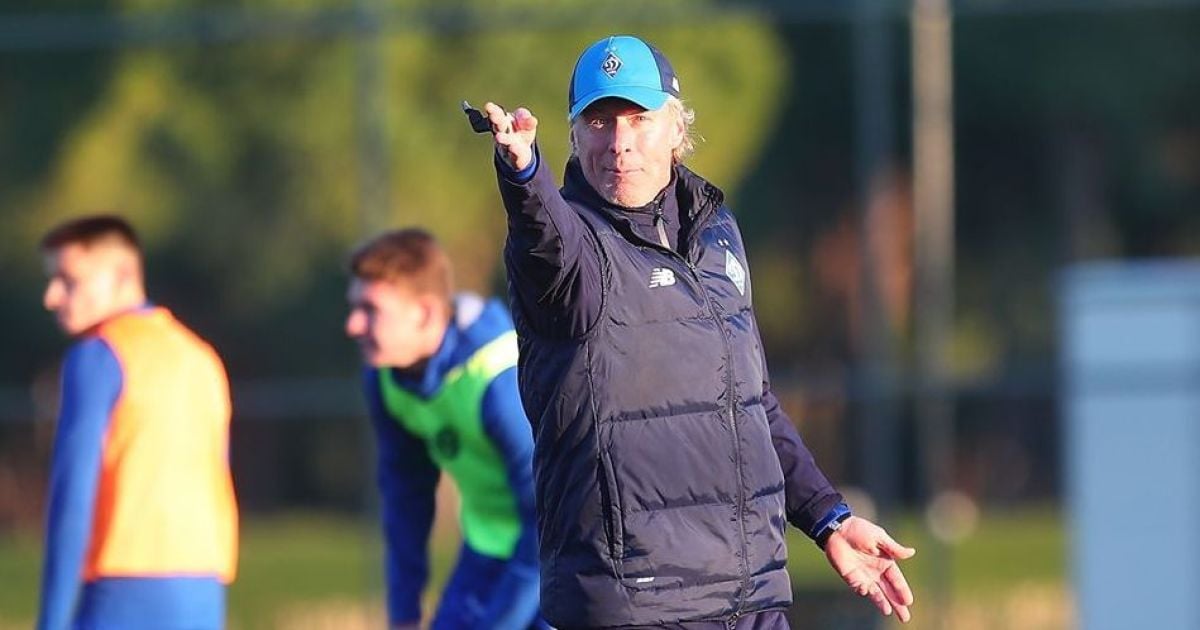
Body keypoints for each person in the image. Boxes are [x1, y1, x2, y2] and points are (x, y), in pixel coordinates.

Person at [479, 35, 916, 628]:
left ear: (675, 129)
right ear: (575, 136)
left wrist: (828, 518)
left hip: (751, 600)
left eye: (639, 118)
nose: (619, 141)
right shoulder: (570, 250)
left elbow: (751, 403)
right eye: (599, 121)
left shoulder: (716, 231)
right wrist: (524, 174)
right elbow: (543, 236)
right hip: (637, 607)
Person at [35, 215, 238, 630]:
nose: (52, 297)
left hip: (123, 587)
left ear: (123, 276)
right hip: (204, 585)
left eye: (69, 281)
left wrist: (52, 620)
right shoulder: (202, 357)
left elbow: (74, 495)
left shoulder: (97, 355)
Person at [344, 228, 546, 630]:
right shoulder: (386, 379)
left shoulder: (498, 379)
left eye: (370, 309)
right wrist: (403, 612)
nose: (352, 325)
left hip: (561, 558)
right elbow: (405, 497)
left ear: (425, 314)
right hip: (488, 551)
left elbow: (549, 521)